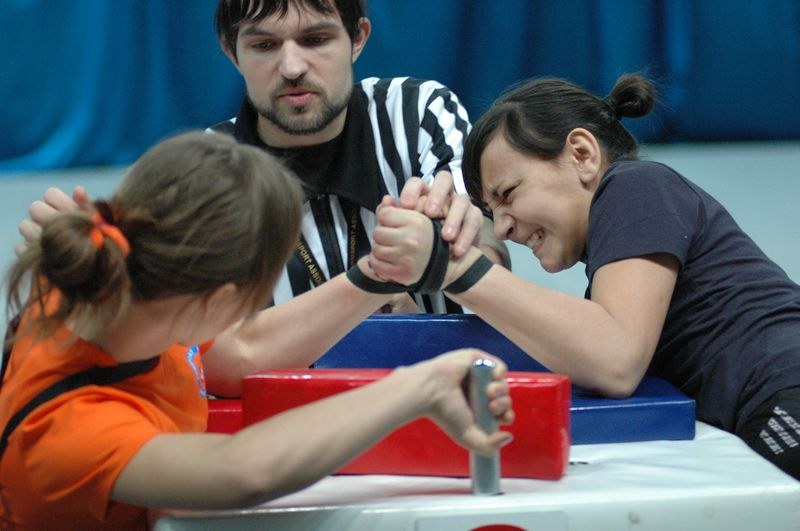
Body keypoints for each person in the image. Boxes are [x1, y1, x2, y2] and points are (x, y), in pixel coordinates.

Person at [0, 131, 514, 529]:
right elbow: (241, 470)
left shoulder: (122, 287)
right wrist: (416, 386)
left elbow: (239, 354)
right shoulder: (70, 429)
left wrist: (375, 275)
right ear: (220, 302)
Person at [16, 0, 509, 397]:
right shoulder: (204, 169)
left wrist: (462, 243)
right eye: (265, 45)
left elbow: (488, 262)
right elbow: (217, 361)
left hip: (449, 394)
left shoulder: (416, 110)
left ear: (358, 37)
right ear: (231, 51)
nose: (292, 66)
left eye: (316, 40)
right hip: (287, 425)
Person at [366, 74, 800, 481]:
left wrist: (455, 271)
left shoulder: (636, 185)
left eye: (508, 195)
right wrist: (409, 307)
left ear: (583, 155)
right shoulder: (611, 283)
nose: (501, 229)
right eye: (491, 213)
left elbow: (615, 361)